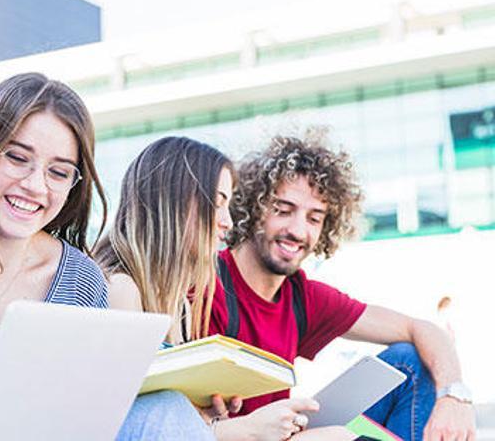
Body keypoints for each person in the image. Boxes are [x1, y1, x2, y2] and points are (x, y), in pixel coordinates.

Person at [0, 73, 210, 440]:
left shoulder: (80, 280)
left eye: (59, 172)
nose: (35, 186)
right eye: (17, 158)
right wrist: (5, 406)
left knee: (165, 408)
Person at [209, 133, 476, 441]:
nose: (297, 230)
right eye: (282, 209)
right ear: (252, 207)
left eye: (314, 218)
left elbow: (423, 329)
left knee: (409, 363)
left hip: (285, 433)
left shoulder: (301, 296)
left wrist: (454, 396)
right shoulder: (207, 285)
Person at [98, 136, 355, 441]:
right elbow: (130, 426)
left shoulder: (175, 297)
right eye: (217, 203)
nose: (228, 222)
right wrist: (243, 429)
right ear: (174, 200)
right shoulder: (120, 288)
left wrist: (205, 411)